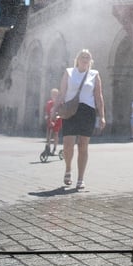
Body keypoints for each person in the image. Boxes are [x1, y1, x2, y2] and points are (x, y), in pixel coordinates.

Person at [57, 49, 106, 190]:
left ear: (90, 61)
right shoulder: (69, 72)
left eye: (88, 57)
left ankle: (80, 178)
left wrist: (102, 116)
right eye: (83, 57)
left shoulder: (94, 74)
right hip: (70, 110)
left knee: (83, 146)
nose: (85, 59)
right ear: (77, 59)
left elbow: (99, 96)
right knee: (68, 144)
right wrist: (55, 110)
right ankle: (68, 169)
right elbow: (62, 93)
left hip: (87, 112)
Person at [44, 88, 62, 156]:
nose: (54, 96)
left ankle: (54, 149)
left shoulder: (60, 103)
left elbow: (61, 112)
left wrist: (57, 117)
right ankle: (47, 147)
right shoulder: (49, 103)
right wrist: (46, 116)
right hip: (50, 120)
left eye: (56, 94)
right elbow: (47, 111)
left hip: (57, 121)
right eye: (53, 94)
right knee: (48, 134)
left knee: (55, 134)